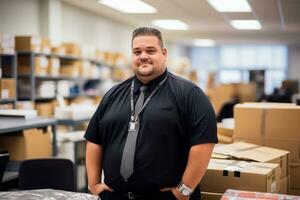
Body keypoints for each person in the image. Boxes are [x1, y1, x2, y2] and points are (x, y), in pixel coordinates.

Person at [84, 27, 218, 200]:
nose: (143, 56)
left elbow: (204, 143)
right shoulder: (112, 94)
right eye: (137, 51)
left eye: (150, 50)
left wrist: (183, 191)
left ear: (164, 53)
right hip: (115, 196)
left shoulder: (190, 94)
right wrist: (93, 184)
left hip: (167, 198)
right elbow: (94, 139)